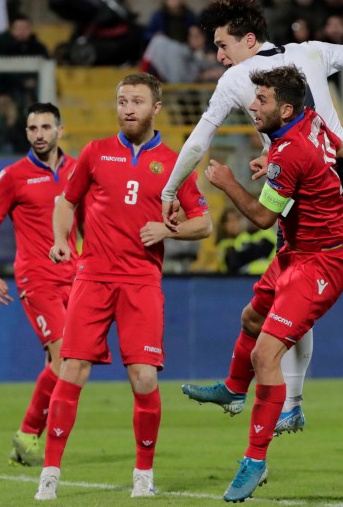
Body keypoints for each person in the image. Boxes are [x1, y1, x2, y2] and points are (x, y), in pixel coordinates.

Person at [161, 0, 343, 435]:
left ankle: (293, 403)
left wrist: (170, 190)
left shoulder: (236, 78)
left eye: (222, 44)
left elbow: (198, 142)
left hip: (303, 191)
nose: (219, 55)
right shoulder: (311, 51)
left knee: (293, 293)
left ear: (248, 39)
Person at [35, 73, 212, 501]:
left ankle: (143, 474)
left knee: (144, 377)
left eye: (137, 101)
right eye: (122, 101)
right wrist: (61, 239)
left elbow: (204, 223)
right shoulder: (95, 153)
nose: (128, 108)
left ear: (156, 108)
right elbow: (66, 202)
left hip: (141, 281)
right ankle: (50, 474)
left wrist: (167, 231)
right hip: (93, 277)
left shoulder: (173, 163)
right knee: (71, 369)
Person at [207, 64, 343, 503]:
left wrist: (227, 182)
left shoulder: (289, 152)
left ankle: (255, 460)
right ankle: (234, 388)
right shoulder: (310, 120)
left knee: (265, 354)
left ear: (285, 109)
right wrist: (276, 162)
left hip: (321, 262)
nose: (253, 106)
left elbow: (261, 217)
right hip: (294, 253)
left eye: (262, 100)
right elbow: (339, 148)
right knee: (250, 317)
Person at [0, 102, 79, 468]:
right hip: (36, 278)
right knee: (65, 358)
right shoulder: (12, 176)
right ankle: (28, 435)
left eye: (46, 127)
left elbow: (88, 220)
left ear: (59, 131)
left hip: (75, 277)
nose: (39, 134)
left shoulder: (78, 170)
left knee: (63, 362)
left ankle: (27, 437)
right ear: (26, 133)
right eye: (33, 128)